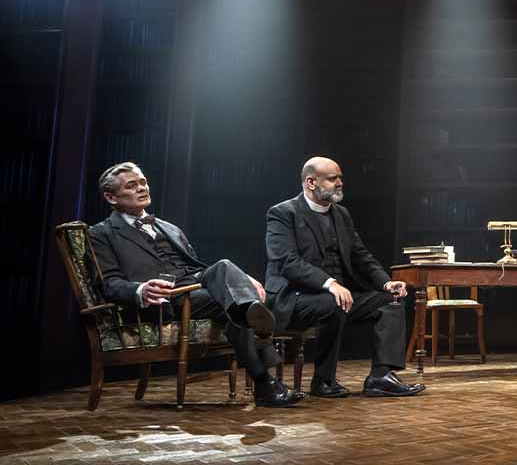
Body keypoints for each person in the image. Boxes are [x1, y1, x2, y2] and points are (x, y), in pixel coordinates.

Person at [89, 162, 303, 407]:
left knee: (224, 267)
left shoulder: (168, 227)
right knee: (231, 305)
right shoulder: (102, 234)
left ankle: (249, 317)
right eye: (132, 185)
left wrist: (242, 279)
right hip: (165, 298)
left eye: (143, 182)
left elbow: (196, 268)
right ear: (110, 197)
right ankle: (264, 379)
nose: (142, 188)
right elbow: (109, 283)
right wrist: (139, 289)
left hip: (193, 284)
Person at [265, 156, 424, 398]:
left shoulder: (341, 215)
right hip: (295, 298)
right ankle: (323, 381)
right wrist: (329, 284)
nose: (339, 183)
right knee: (336, 302)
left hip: (339, 296)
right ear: (310, 182)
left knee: (390, 301)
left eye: (340, 178)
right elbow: (287, 261)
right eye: (332, 179)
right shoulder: (283, 213)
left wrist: (386, 282)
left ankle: (380, 377)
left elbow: (361, 256)